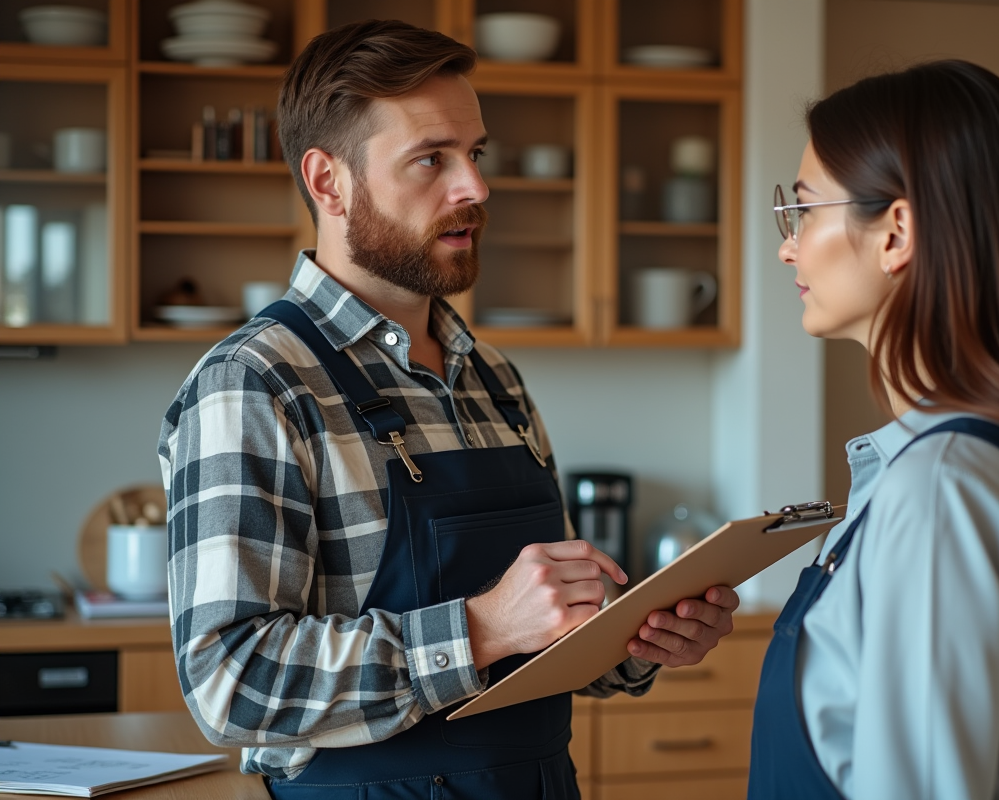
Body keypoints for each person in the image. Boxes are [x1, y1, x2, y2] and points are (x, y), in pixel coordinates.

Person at [158, 19, 738, 800]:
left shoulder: (494, 377)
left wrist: (632, 644)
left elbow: (543, 634)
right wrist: (480, 627)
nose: (474, 188)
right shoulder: (255, 383)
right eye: (431, 159)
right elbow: (229, 681)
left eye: (476, 154)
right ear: (328, 182)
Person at [748, 60, 999, 800]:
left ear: (895, 231)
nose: (788, 246)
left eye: (802, 211)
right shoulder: (979, 465)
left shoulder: (939, 492)